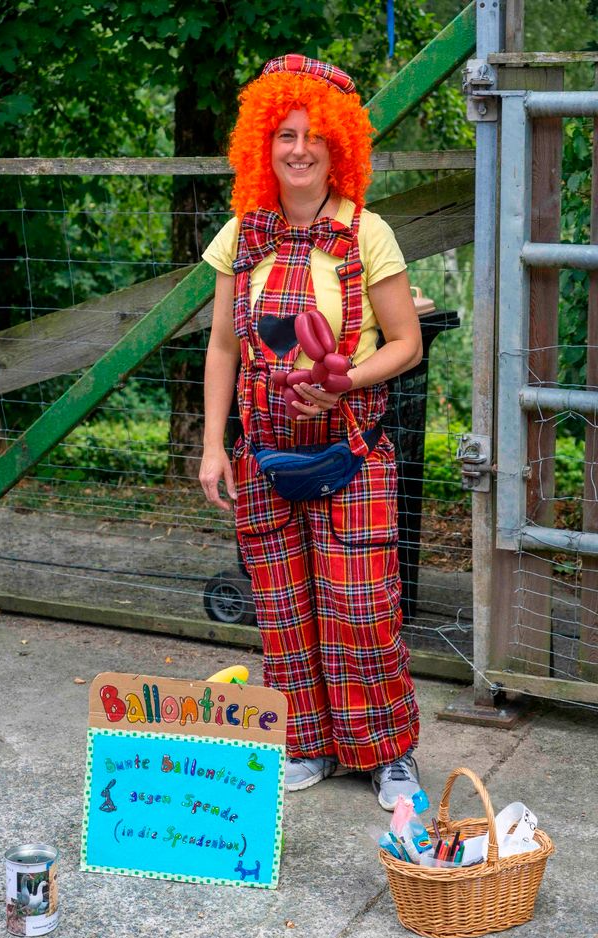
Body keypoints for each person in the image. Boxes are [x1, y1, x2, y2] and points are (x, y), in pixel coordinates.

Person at [199, 54, 423, 811]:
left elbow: (406, 344)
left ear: (340, 149)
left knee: (360, 605)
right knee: (284, 607)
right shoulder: (241, 235)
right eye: (284, 135)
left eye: (314, 138)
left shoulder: (369, 232)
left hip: (351, 448)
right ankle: (306, 742)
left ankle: (389, 753)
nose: (298, 150)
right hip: (262, 452)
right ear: (262, 145)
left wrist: (342, 383)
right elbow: (223, 345)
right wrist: (210, 445)